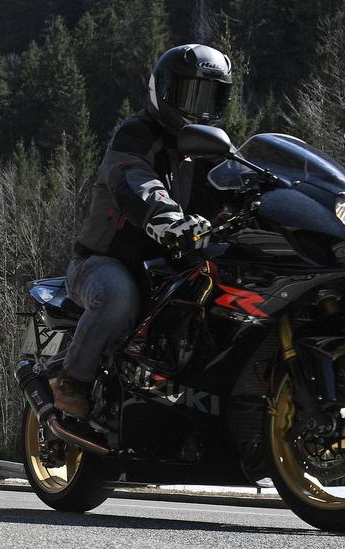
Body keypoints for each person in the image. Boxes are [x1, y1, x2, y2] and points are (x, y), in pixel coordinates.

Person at [56, 43, 233, 420]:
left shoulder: (207, 149)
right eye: (191, 94)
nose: (199, 108)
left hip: (171, 268)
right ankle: (73, 381)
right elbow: (134, 180)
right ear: (163, 90)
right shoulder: (135, 135)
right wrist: (167, 219)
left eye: (210, 97)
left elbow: (237, 183)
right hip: (104, 263)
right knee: (118, 296)